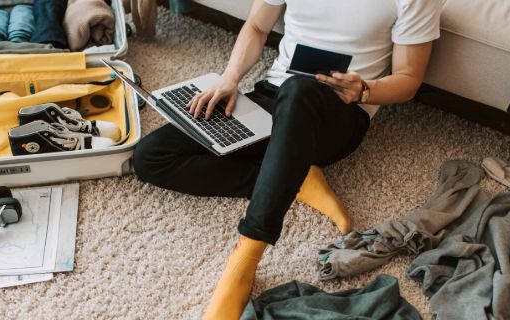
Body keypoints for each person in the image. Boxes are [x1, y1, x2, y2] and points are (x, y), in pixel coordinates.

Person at [132, 0, 443, 318]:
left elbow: (408, 79)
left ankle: (245, 258)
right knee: (150, 157)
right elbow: (256, 26)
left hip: (340, 115)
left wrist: (364, 90)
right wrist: (229, 78)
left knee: (299, 90)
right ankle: (295, 177)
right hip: (273, 97)